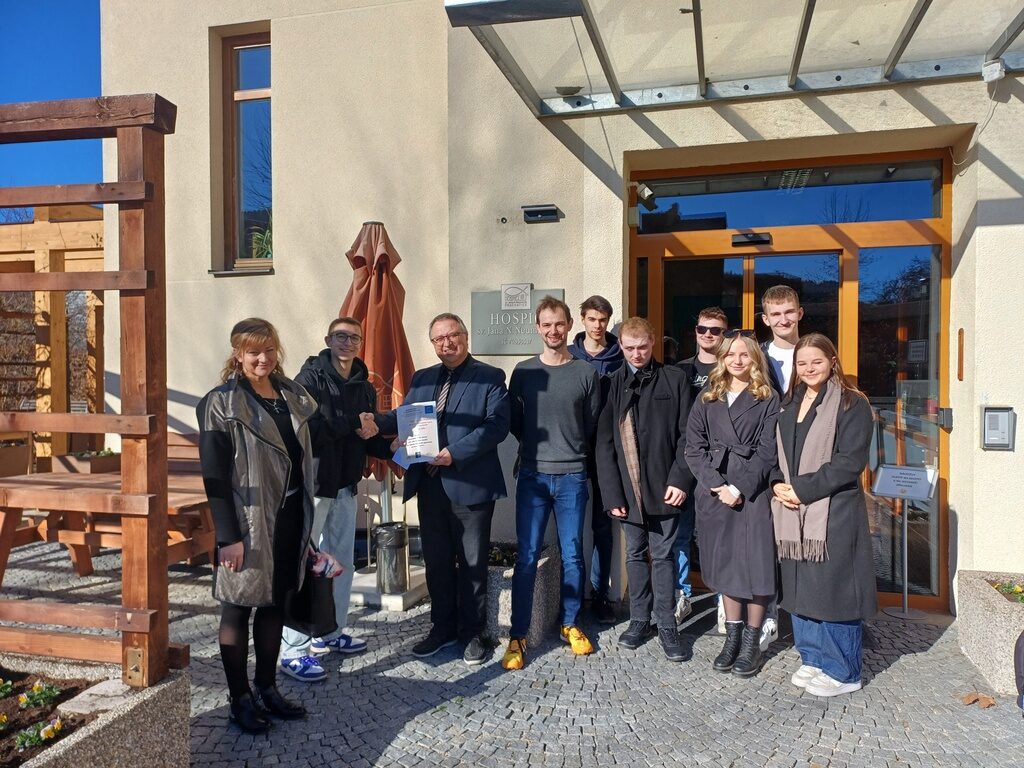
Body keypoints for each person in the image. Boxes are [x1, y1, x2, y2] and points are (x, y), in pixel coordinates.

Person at [198, 318, 340, 733]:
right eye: (253, 351)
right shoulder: (221, 403)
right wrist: (228, 537)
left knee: (275, 603)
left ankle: (267, 687)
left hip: (291, 515)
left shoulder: (291, 396)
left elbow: (312, 447)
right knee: (238, 607)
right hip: (248, 521)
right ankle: (239, 699)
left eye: (269, 349)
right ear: (238, 354)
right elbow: (214, 476)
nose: (263, 358)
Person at [376, 313, 510, 665]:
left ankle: (473, 633)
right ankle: (442, 628)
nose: (447, 343)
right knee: (436, 562)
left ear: (465, 336)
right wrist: (373, 421)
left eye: (453, 335)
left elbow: (496, 426)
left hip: (470, 485)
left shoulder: (490, 376)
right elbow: (403, 417)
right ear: (433, 344)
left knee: (472, 563)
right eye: (439, 339)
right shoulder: (422, 378)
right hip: (430, 485)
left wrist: (455, 453)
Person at [278, 316, 390, 677]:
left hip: (345, 486)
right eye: (341, 336)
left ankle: (331, 631)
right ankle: (293, 651)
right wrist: (353, 423)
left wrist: (397, 448)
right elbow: (308, 431)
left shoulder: (364, 385)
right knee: (304, 565)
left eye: (354, 338)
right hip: (313, 486)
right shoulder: (308, 380)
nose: (347, 342)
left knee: (342, 562)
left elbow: (366, 437)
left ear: (361, 343)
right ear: (328, 339)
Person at [771, 333, 877, 697]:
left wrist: (801, 489)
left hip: (834, 510)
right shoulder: (789, 402)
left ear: (832, 361)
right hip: (792, 510)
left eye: (816, 361)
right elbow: (776, 453)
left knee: (834, 590)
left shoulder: (851, 403)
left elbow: (849, 462)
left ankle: (844, 671)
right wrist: (776, 484)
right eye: (802, 363)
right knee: (801, 586)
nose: (809, 368)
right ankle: (813, 658)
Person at [502, 296, 600, 670]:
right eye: (546, 324)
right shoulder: (523, 372)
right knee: (526, 556)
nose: (553, 330)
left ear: (569, 324)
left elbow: (591, 423)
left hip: (573, 475)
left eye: (559, 323)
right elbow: (515, 422)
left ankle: (570, 623)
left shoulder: (586, 373)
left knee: (573, 553)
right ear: (537, 328)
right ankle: (518, 635)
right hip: (533, 476)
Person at [596, 317, 695, 662]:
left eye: (642, 347)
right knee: (635, 555)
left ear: (653, 342)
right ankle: (639, 619)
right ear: (620, 346)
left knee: (664, 556)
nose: (636, 354)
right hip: (627, 489)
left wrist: (681, 480)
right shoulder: (611, 383)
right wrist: (612, 494)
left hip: (666, 486)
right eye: (629, 348)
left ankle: (666, 623)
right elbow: (604, 444)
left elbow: (688, 436)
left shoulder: (675, 379)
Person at [685, 331, 779, 678]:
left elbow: (768, 450)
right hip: (716, 493)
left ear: (755, 359)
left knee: (756, 565)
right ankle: (732, 638)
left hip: (752, 493)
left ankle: (752, 643)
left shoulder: (768, 397)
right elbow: (693, 447)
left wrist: (739, 487)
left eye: (744, 355)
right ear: (722, 358)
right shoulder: (708, 396)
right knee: (726, 566)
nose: (737, 361)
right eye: (731, 355)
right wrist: (717, 484)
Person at [568, 295, 624, 624]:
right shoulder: (568, 356)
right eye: (592, 319)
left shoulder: (620, 357)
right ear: (583, 319)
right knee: (571, 525)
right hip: (573, 450)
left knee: (603, 526)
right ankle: (572, 594)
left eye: (603, 319)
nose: (598, 325)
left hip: (608, 451)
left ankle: (600, 594)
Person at [673, 307, 729, 625]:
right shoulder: (679, 370)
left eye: (715, 330)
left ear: (724, 334)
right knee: (680, 533)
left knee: (718, 537)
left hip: (720, 466)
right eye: (702, 328)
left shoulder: (733, 368)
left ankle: (723, 598)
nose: (708, 334)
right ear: (695, 331)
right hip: (686, 463)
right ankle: (682, 594)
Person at [759, 284, 804, 649]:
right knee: (767, 541)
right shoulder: (756, 357)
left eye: (789, 312)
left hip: (805, 458)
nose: (783, 319)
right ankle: (770, 615)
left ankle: (806, 615)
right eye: (776, 314)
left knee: (805, 539)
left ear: (799, 313)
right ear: (766, 319)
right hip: (766, 457)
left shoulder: (815, 352)